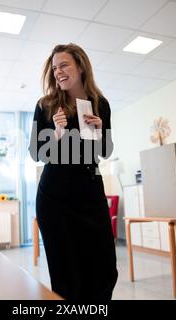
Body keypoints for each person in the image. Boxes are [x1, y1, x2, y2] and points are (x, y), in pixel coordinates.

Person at [29, 43, 118, 300]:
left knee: (104, 269)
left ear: (80, 66)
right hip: (55, 196)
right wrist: (56, 134)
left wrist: (101, 131)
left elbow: (105, 151)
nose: (58, 72)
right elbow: (36, 152)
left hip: (90, 192)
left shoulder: (100, 104)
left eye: (64, 65)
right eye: (55, 68)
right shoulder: (45, 105)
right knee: (66, 272)